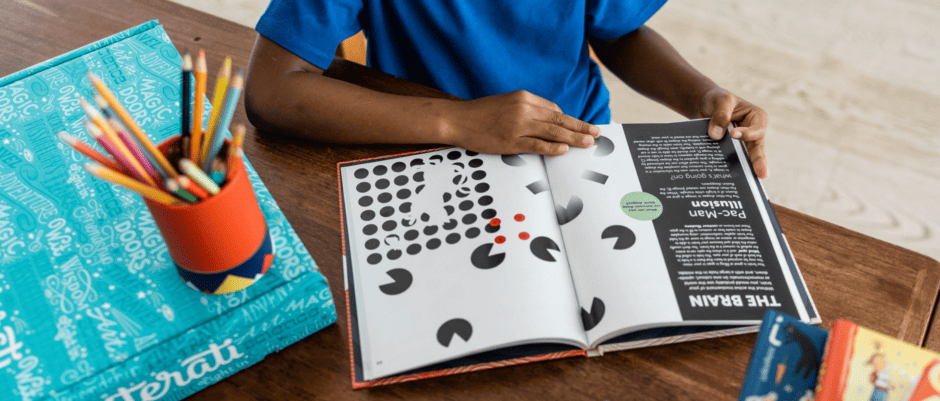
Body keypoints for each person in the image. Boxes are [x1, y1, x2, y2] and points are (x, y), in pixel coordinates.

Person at [244, 0, 769, 179]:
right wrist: (461, 123)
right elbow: (271, 93)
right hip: (426, 148)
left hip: (577, 142)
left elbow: (618, 31)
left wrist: (699, 95)